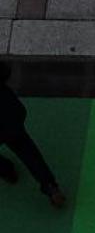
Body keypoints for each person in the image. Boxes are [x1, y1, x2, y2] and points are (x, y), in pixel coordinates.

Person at [0, 63, 68, 210]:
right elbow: (5, 71)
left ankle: (6, 170)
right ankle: (50, 186)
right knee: (28, 151)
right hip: (8, 114)